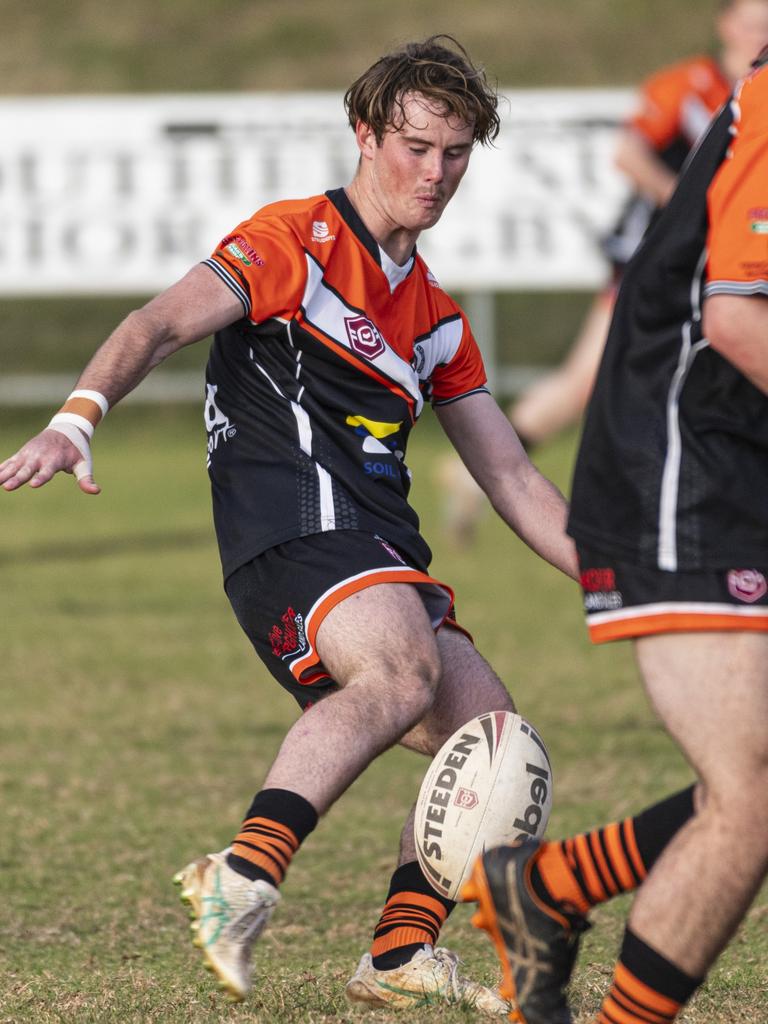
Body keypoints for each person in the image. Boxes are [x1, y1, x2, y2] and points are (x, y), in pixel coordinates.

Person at [0, 37, 579, 1011]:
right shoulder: (295, 242)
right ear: (364, 133)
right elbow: (157, 324)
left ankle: (399, 951)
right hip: (291, 535)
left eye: (455, 154)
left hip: (376, 546)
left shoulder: (434, 314)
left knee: (491, 738)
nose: (434, 174)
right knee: (401, 671)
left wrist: (619, 581)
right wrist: (76, 418)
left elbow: (513, 474)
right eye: (414, 146)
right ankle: (244, 871)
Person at [463, 39, 768, 1024]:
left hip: (733, 455)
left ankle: (544, 888)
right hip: (686, 460)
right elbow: (738, 323)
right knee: (752, 792)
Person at [439, 0, 768, 546]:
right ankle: (485, 471)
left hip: (710, 269)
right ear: (726, 23)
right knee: (588, 379)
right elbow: (628, 154)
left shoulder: (755, 90)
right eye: (753, 16)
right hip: (656, 264)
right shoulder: (688, 85)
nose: (762, 26)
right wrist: (691, 208)